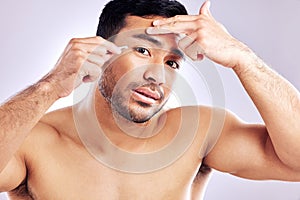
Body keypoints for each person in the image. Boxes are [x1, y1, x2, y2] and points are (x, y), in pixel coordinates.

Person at [0, 0, 300, 199]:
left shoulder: (199, 132)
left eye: (172, 62)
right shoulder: (36, 140)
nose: (157, 75)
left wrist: (243, 59)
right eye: (142, 51)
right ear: (98, 53)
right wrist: (49, 86)